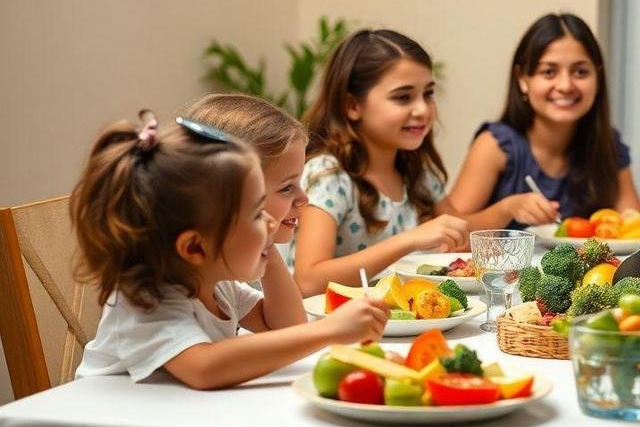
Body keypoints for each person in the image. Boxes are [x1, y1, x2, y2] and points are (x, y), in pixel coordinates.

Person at [74, 112, 389, 389]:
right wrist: (330, 330)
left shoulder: (217, 284)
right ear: (195, 247)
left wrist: (262, 238)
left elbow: (286, 326)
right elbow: (205, 368)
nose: (269, 220)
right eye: (256, 212)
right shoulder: (144, 299)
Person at [287, 29, 469, 296]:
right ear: (352, 105)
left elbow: (461, 241)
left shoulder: (417, 172)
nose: (422, 109)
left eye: (428, 94)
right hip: (334, 328)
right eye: (403, 97)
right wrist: (408, 241)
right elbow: (308, 281)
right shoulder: (329, 176)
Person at [448, 12, 640, 229]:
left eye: (580, 72)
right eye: (549, 72)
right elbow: (449, 232)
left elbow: (635, 230)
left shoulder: (608, 144)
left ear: (597, 77)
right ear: (522, 79)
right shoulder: (494, 145)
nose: (565, 85)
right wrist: (507, 209)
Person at [183, 93, 309, 296]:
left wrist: (264, 239)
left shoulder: (225, 285)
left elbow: (290, 323)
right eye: (286, 187)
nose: (304, 199)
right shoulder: (186, 285)